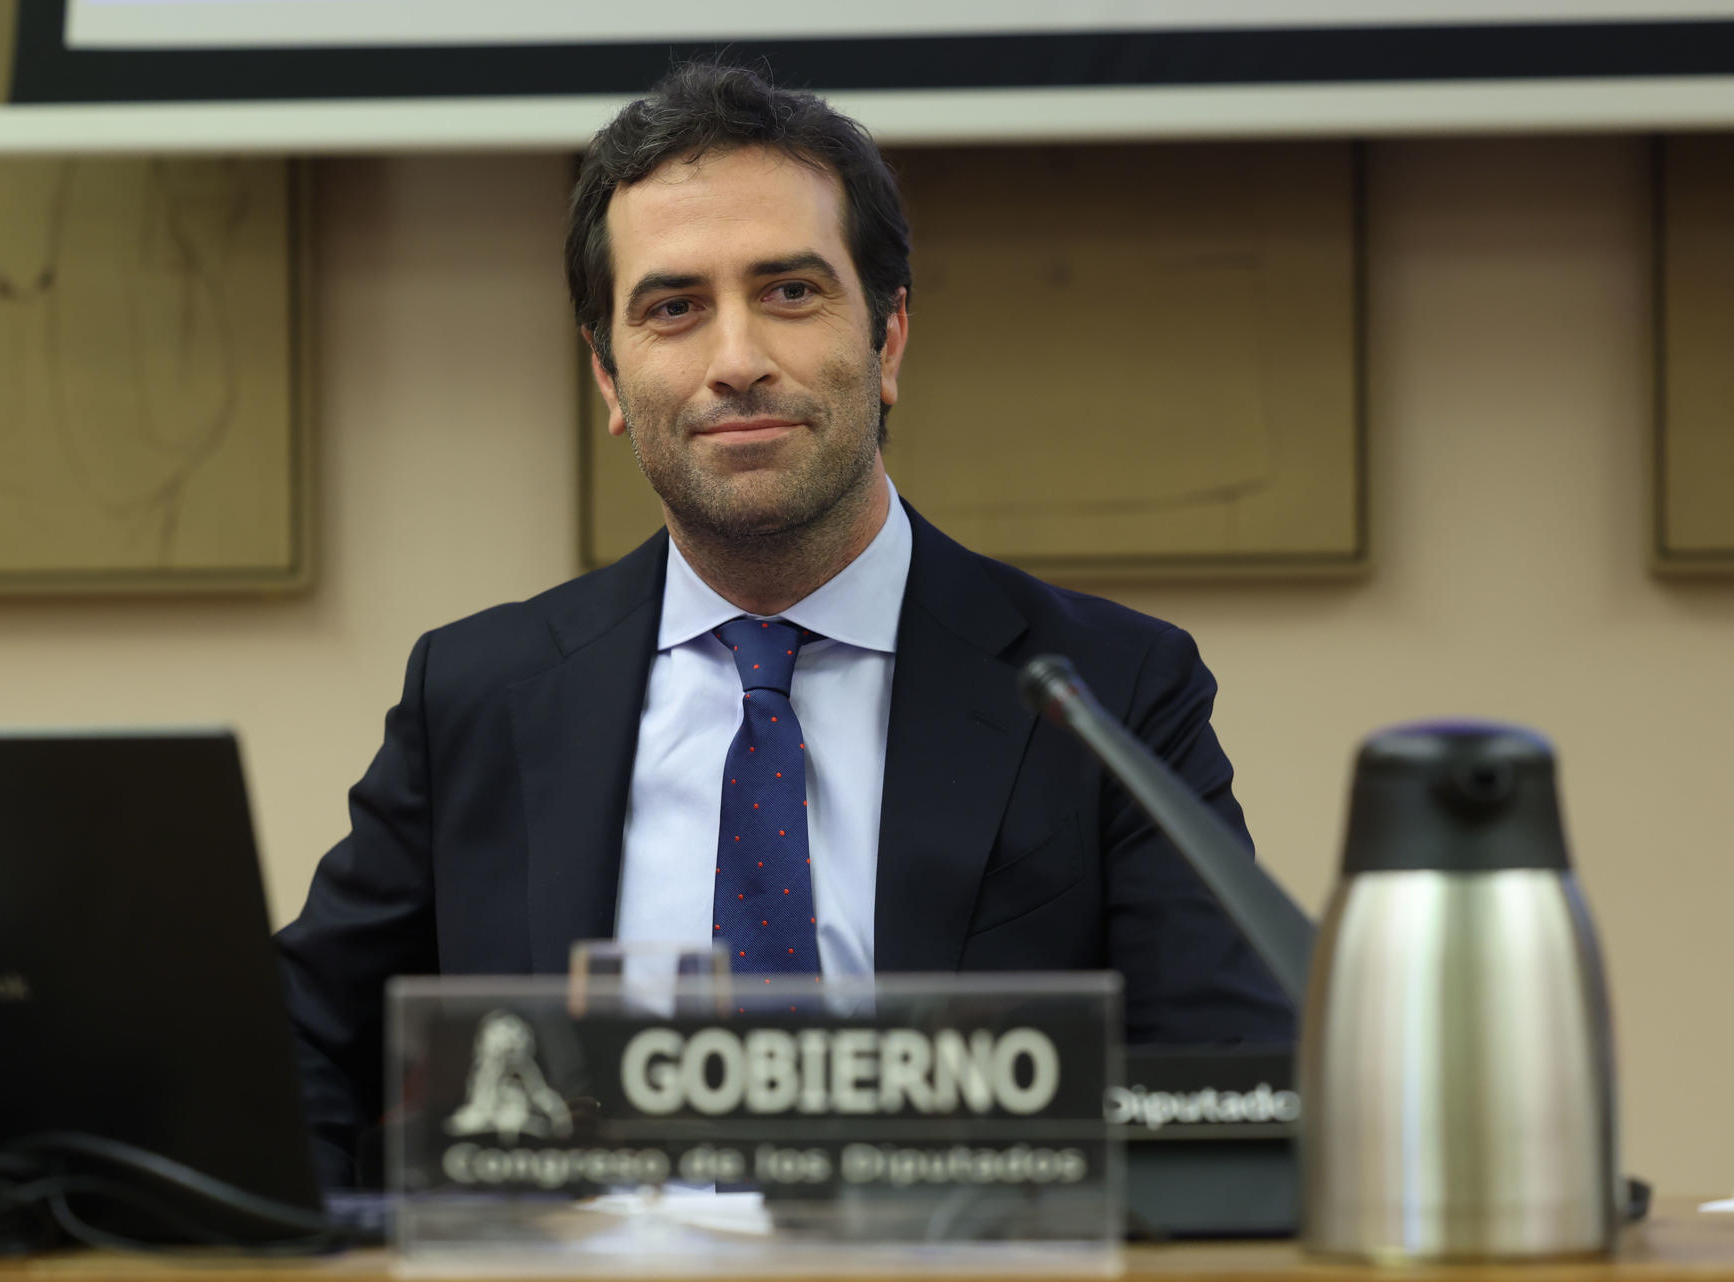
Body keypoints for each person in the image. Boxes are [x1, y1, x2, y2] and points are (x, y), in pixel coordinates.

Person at [277, 60, 1294, 1189]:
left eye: (791, 293)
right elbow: (293, 1047)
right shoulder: (478, 693)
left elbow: (1221, 1090)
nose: (736, 361)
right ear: (610, 378)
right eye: (673, 308)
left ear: (889, 340)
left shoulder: (1110, 688)